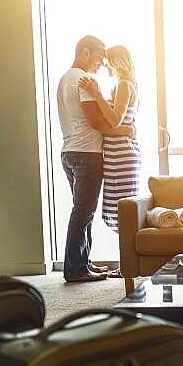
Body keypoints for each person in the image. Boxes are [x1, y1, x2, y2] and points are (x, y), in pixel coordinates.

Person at [56, 35, 134, 283]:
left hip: (70, 151)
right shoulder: (82, 79)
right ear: (85, 52)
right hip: (87, 153)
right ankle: (75, 269)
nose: (101, 63)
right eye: (99, 57)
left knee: (84, 211)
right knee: (83, 211)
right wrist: (124, 130)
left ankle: (83, 263)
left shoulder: (64, 79)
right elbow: (96, 120)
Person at [79, 45, 140, 242]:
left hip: (121, 154)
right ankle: (128, 264)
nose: (105, 67)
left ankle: (128, 265)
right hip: (118, 153)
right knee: (118, 209)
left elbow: (115, 120)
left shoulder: (123, 84)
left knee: (121, 210)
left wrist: (96, 93)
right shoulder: (127, 84)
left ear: (116, 63)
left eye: (108, 63)